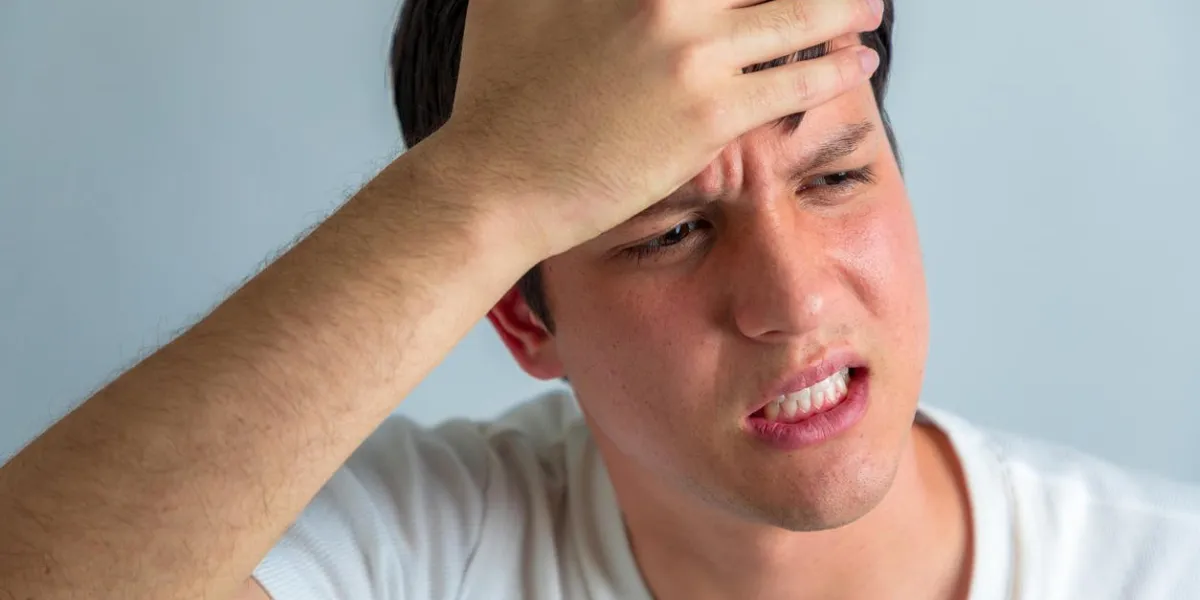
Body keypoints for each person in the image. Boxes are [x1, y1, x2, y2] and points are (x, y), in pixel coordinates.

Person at [2, 0, 1199, 598]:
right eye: (671, 233)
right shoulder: (430, 548)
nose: (791, 302)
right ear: (525, 319)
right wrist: (481, 185)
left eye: (834, 177)